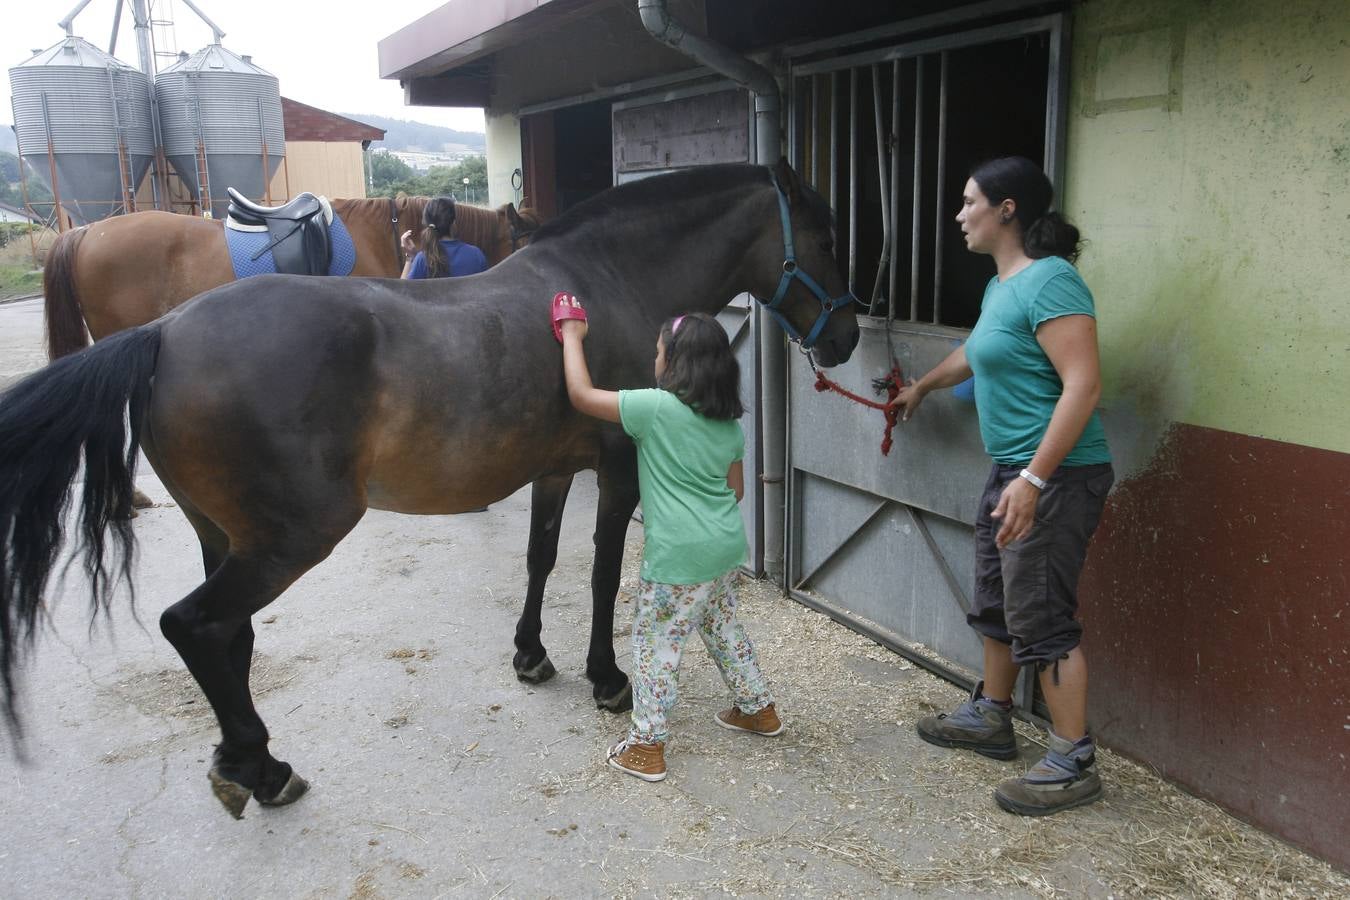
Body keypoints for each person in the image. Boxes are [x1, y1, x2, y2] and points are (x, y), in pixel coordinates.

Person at [890, 156, 1113, 816]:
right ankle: (992, 717)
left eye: (969, 202)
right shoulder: (1002, 287)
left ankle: (1073, 760)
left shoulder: (1053, 283)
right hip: (1011, 470)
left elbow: (1084, 385)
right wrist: (923, 387)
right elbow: (978, 350)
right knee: (995, 596)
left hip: (1057, 476)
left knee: (1041, 611)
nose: (960, 215)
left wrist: (1035, 479)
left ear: (1007, 209)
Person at [559, 309, 781, 782]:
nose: (653, 358)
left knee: (655, 645)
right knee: (723, 628)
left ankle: (646, 745)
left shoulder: (653, 408)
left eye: (659, 351)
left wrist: (571, 334)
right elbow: (736, 490)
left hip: (678, 558)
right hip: (724, 550)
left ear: (676, 362)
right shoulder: (729, 426)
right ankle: (758, 708)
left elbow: (580, 394)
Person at [400, 196, 487, 279]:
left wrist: (409, 258)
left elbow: (402, 291)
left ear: (427, 224)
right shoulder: (476, 255)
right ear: (453, 223)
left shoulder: (423, 259)